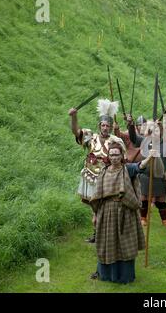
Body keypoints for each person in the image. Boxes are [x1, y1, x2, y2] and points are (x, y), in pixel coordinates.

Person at [89, 137, 157, 284]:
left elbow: (140, 166)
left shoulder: (127, 169)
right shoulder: (103, 172)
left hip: (124, 212)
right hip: (106, 212)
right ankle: (105, 274)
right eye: (111, 155)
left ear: (122, 156)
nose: (114, 157)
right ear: (108, 156)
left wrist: (150, 156)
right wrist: (95, 214)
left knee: (124, 244)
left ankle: (124, 276)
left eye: (117, 154)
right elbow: (97, 197)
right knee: (107, 243)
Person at [68, 99, 125, 243]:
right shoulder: (91, 136)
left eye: (108, 126)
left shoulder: (116, 140)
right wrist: (74, 117)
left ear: (111, 127)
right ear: (99, 125)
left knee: (105, 208)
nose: (105, 128)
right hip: (91, 176)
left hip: (108, 179)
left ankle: (104, 233)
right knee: (95, 208)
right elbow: (76, 131)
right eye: (103, 125)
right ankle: (98, 233)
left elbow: (122, 160)